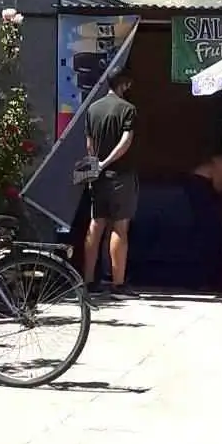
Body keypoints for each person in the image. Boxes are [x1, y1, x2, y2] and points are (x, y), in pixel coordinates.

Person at [82, 71, 138, 296]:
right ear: (124, 84)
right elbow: (126, 141)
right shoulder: (128, 109)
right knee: (120, 228)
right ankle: (118, 283)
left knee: (95, 226)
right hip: (120, 176)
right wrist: (106, 163)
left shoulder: (93, 109)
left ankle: (88, 281)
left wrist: (96, 166)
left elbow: (89, 145)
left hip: (97, 177)